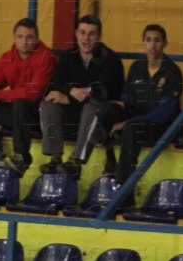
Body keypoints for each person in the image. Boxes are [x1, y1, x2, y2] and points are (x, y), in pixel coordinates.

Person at [85, 24, 183, 183]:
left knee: (131, 129)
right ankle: (109, 159)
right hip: (135, 120)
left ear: (165, 43)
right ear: (143, 43)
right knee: (106, 109)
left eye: (157, 40)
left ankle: (124, 187)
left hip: (161, 127)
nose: (152, 45)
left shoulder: (172, 72)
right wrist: (117, 107)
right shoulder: (136, 68)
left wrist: (127, 123)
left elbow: (163, 114)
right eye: (148, 40)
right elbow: (128, 102)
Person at [0, 18, 56, 176]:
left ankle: (22, 157)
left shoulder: (45, 58)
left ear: (37, 38)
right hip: (17, 114)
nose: (24, 41)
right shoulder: (8, 57)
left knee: (22, 103)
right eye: (20, 37)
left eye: (29, 37)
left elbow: (32, 94)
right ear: (14, 38)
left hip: (38, 114)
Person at [38, 15, 124, 176]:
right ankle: (55, 158)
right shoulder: (68, 56)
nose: (86, 39)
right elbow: (57, 84)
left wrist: (69, 97)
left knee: (92, 106)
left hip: (104, 113)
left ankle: (76, 162)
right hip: (77, 112)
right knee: (48, 104)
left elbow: (103, 91)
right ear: (76, 34)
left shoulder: (110, 59)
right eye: (82, 33)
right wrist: (70, 91)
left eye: (92, 34)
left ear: (99, 36)